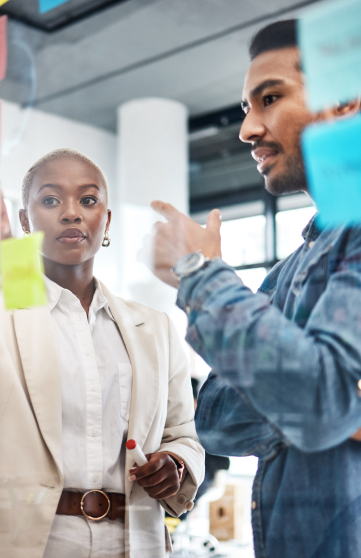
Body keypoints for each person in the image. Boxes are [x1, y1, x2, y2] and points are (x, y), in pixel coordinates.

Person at [139, 19, 361, 558]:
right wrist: (326, 404)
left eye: (269, 98)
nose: (247, 130)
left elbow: (317, 402)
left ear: (347, 101)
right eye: (245, 108)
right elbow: (213, 417)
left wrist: (198, 272)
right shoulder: (284, 274)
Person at [0, 148, 204, 558]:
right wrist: (10, 262)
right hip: (34, 544)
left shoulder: (155, 328)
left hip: (137, 542)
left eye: (88, 200)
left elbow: (184, 433)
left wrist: (175, 464)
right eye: (50, 200)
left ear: (106, 220)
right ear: (25, 220)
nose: (72, 213)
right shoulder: (10, 313)